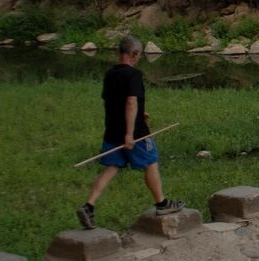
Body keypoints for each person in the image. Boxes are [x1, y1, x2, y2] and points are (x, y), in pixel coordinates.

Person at [78, 36, 182, 228]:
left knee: (111, 167)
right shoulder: (133, 74)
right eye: (139, 54)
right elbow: (131, 101)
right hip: (134, 132)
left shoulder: (110, 74)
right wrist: (129, 133)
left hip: (112, 130)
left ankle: (88, 206)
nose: (139, 58)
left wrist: (141, 113)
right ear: (134, 54)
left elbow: (113, 102)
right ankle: (162, 204)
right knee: (151, 162)